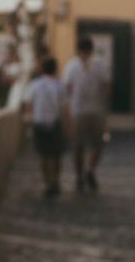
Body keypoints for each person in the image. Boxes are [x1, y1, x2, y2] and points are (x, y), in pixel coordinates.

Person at [62, 35, 111, 192]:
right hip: (88, 110)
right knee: (85, 145)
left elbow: (67, 88)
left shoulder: (73, 66)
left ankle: (85, 172)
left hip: (83, 111)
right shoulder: (97, 64)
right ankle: (84, 173)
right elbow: (108, 84)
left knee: (90, 144)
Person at [21, 56, 69, 197]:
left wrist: (30, 121)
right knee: (56, 155)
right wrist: (69, 125)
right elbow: (65, 108)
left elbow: (28, 106)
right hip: (55, 123)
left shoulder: (34, 85)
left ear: (41, 69)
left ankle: (47, 182)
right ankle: (56, 181)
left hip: (39, 124)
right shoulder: (59, 85)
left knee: (44, 155)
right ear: (55, 69)